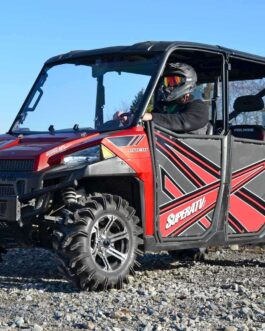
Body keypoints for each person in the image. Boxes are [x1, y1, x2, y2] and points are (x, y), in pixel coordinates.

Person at [142, 63, 209, 134]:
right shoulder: (162, 107)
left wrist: (152, 117)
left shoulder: (198, 106)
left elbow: (184, 122)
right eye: (167, 82)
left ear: (187, 82)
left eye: (174, 81)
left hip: (190, 144)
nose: (169, 86)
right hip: (160, 143)